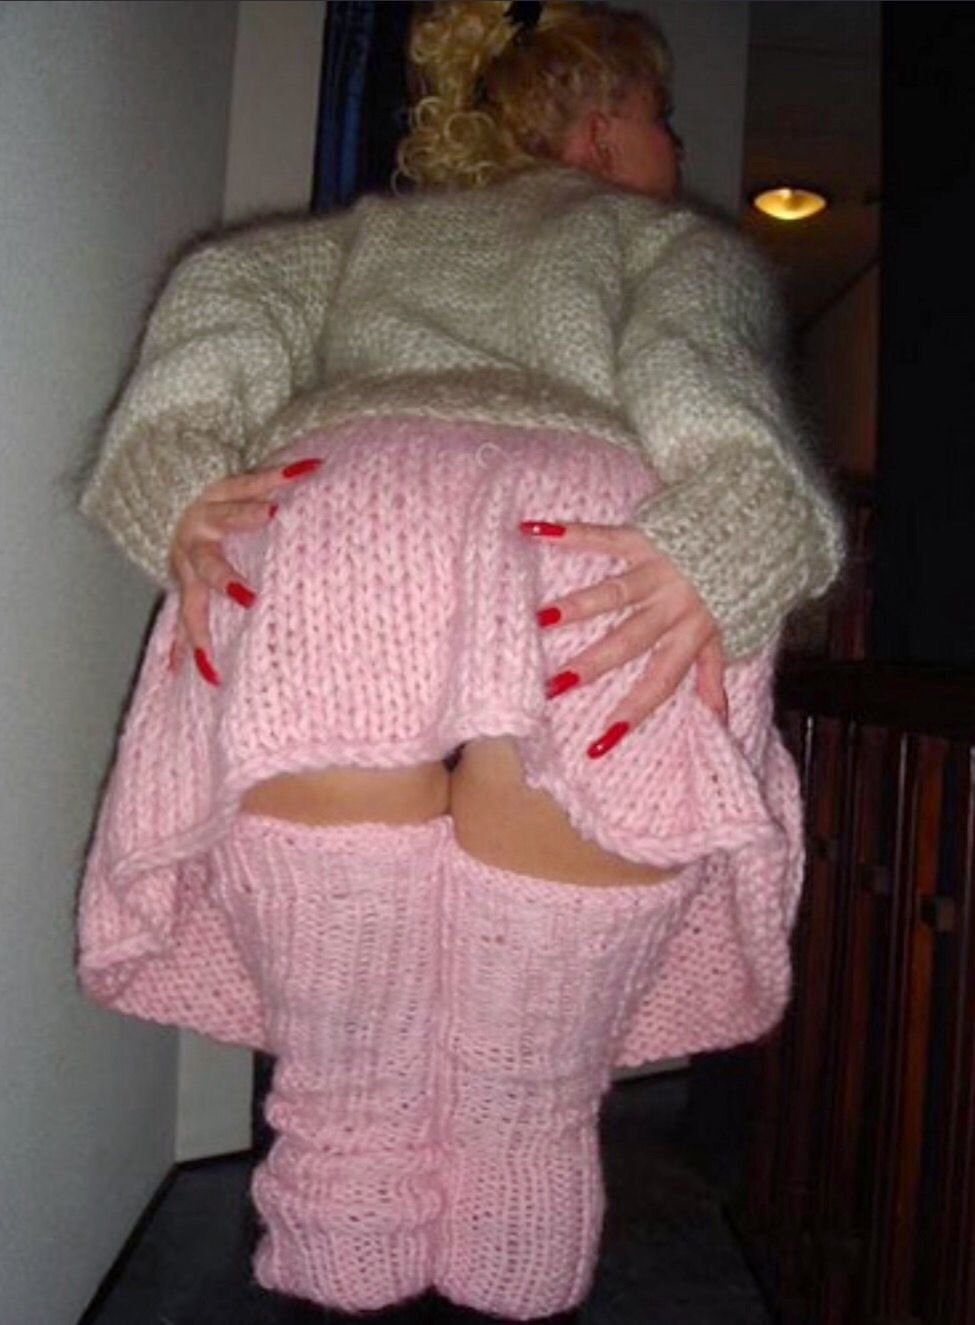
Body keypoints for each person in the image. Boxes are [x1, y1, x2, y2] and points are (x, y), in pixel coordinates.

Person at [75, 3, 844, 1323]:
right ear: (597, 128)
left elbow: (219, 306)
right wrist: (722, 540)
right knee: (529, 1089)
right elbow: (703, 385)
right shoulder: (663, 242)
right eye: (659, 117)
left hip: (346, 502)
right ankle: (517, 1218)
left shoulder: (351, 244)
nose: (672, 145)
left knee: (347, 1073)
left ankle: (342, 1228)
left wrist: (180, 479)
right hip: (582, 526)